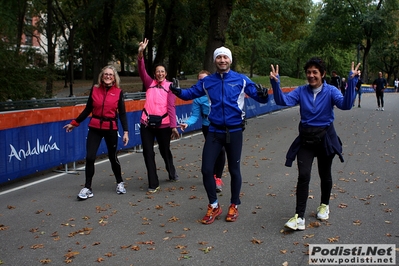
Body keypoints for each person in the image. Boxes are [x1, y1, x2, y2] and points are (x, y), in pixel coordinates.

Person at [170, 46, 269, 224]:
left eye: (225, 57)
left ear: (230, 60)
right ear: (215, 61)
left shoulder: (241, 79)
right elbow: (189, 94)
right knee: (207, 169)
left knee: (234, 170)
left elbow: (260, 97)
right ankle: (214, 205)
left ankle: (234, 205)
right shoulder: (208, 81)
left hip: (234, 131)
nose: (222, 60)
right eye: (219, 57)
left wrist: (264, 94)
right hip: (214, 130)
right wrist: (177, 91)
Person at [269, 58, 360, 230]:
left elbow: (346, 105)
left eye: (315, 72)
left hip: (325, 138)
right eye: (309, 72)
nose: (311, 76)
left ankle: (324, 205)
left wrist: (352, 80)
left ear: (322, 74)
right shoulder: (301, 91)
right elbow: (283, 101)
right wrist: (275, 83)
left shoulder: (331, 91)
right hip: (306, 138)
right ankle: (299, 217)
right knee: (303, 175)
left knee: (324, 174)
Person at [64, 65, 129, 200]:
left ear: (114, 77)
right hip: (95, 127)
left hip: (111, 128)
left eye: (110, 74)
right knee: (90, 157)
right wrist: (74, 123)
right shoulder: (94, 90)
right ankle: (87, 187)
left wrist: (126, 132)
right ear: (102, 76)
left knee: (113, 157)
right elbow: (88, 109)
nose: (108, 76)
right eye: (105, 74)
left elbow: (122, 113)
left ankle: (119, 182)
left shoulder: (118, 92)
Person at [137, 38, 180, 193]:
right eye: (157, 71)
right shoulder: (149, 83)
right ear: (154, 74)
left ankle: (171, 170)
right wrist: (140, 53)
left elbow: (171, 107)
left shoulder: (170, 87)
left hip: (164, 125)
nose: (160, 73)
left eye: (163, 71)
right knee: (148, 152)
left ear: (166, 74)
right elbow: (141, 70)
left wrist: (173, 126)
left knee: (164, 150)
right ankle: (153, 183)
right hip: (147, 123)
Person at [180, 70, 226, 193]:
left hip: (221, 125)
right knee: (212, 151)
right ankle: (211, 174)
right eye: (200, 80)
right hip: (208, 126)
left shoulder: (217, 91)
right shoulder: (198, 98)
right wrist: (187, 123)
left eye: (204, 79)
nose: (202, 81)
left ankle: (218, 178)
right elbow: (195, 116)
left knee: (221, 151)